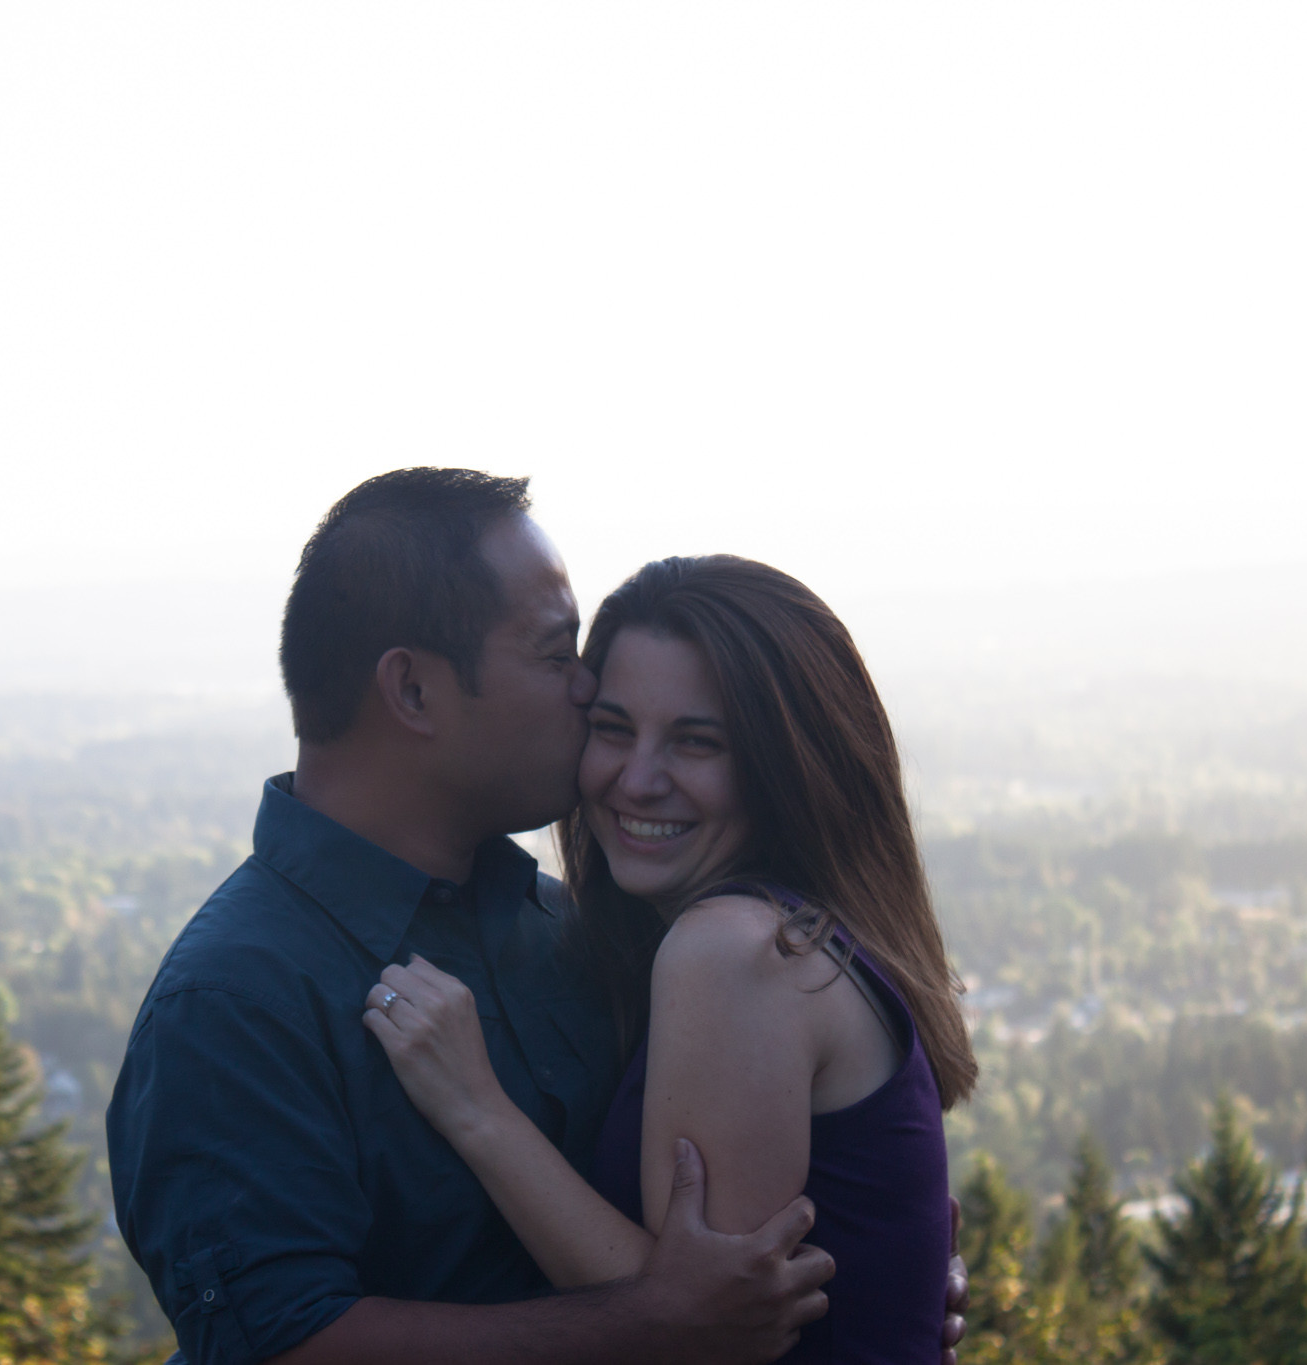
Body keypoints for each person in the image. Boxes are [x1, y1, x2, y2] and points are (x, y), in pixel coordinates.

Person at [107, 470, 965, 1365]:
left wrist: (884, 1274)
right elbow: (279, 1345)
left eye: (694, 737)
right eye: (558, 654)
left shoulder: (578, 934)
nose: (587, 685)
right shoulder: (236, 998)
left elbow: (770, 1206)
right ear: (413, 691)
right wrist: (651, 1322)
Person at [363, 554, 976, 1364]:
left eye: (696, 741)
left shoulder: (737, 950)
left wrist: (478, 1110)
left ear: (786, 765)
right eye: (613, 728)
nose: (638, 778)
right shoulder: (795, 933)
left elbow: (697, 1325)